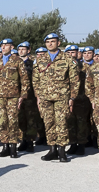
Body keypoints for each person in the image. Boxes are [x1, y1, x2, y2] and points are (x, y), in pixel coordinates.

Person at [32, 33, 79, 163]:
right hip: (45, 97)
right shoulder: (40, 59)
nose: (50, 44)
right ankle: (52, 150)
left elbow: (75, 80)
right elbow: (35, 80)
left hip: (62, 97)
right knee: (48, 123)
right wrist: (38, 96)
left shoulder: (67, 58)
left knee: (61, 123)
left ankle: (62, 151)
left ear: (58, 43)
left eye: (53, 41)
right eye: (48, 42)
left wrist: (72, 98)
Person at [0, 38, 30, 159]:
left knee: (13, 121)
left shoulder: (17, 61)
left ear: (12, 47)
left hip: (13, 96)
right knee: (2, 122)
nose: (3, 47)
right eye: (2, 45)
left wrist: (23, 95)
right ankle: (5, 146)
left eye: (6, 45)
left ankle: (13, 147)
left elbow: (25, 80)